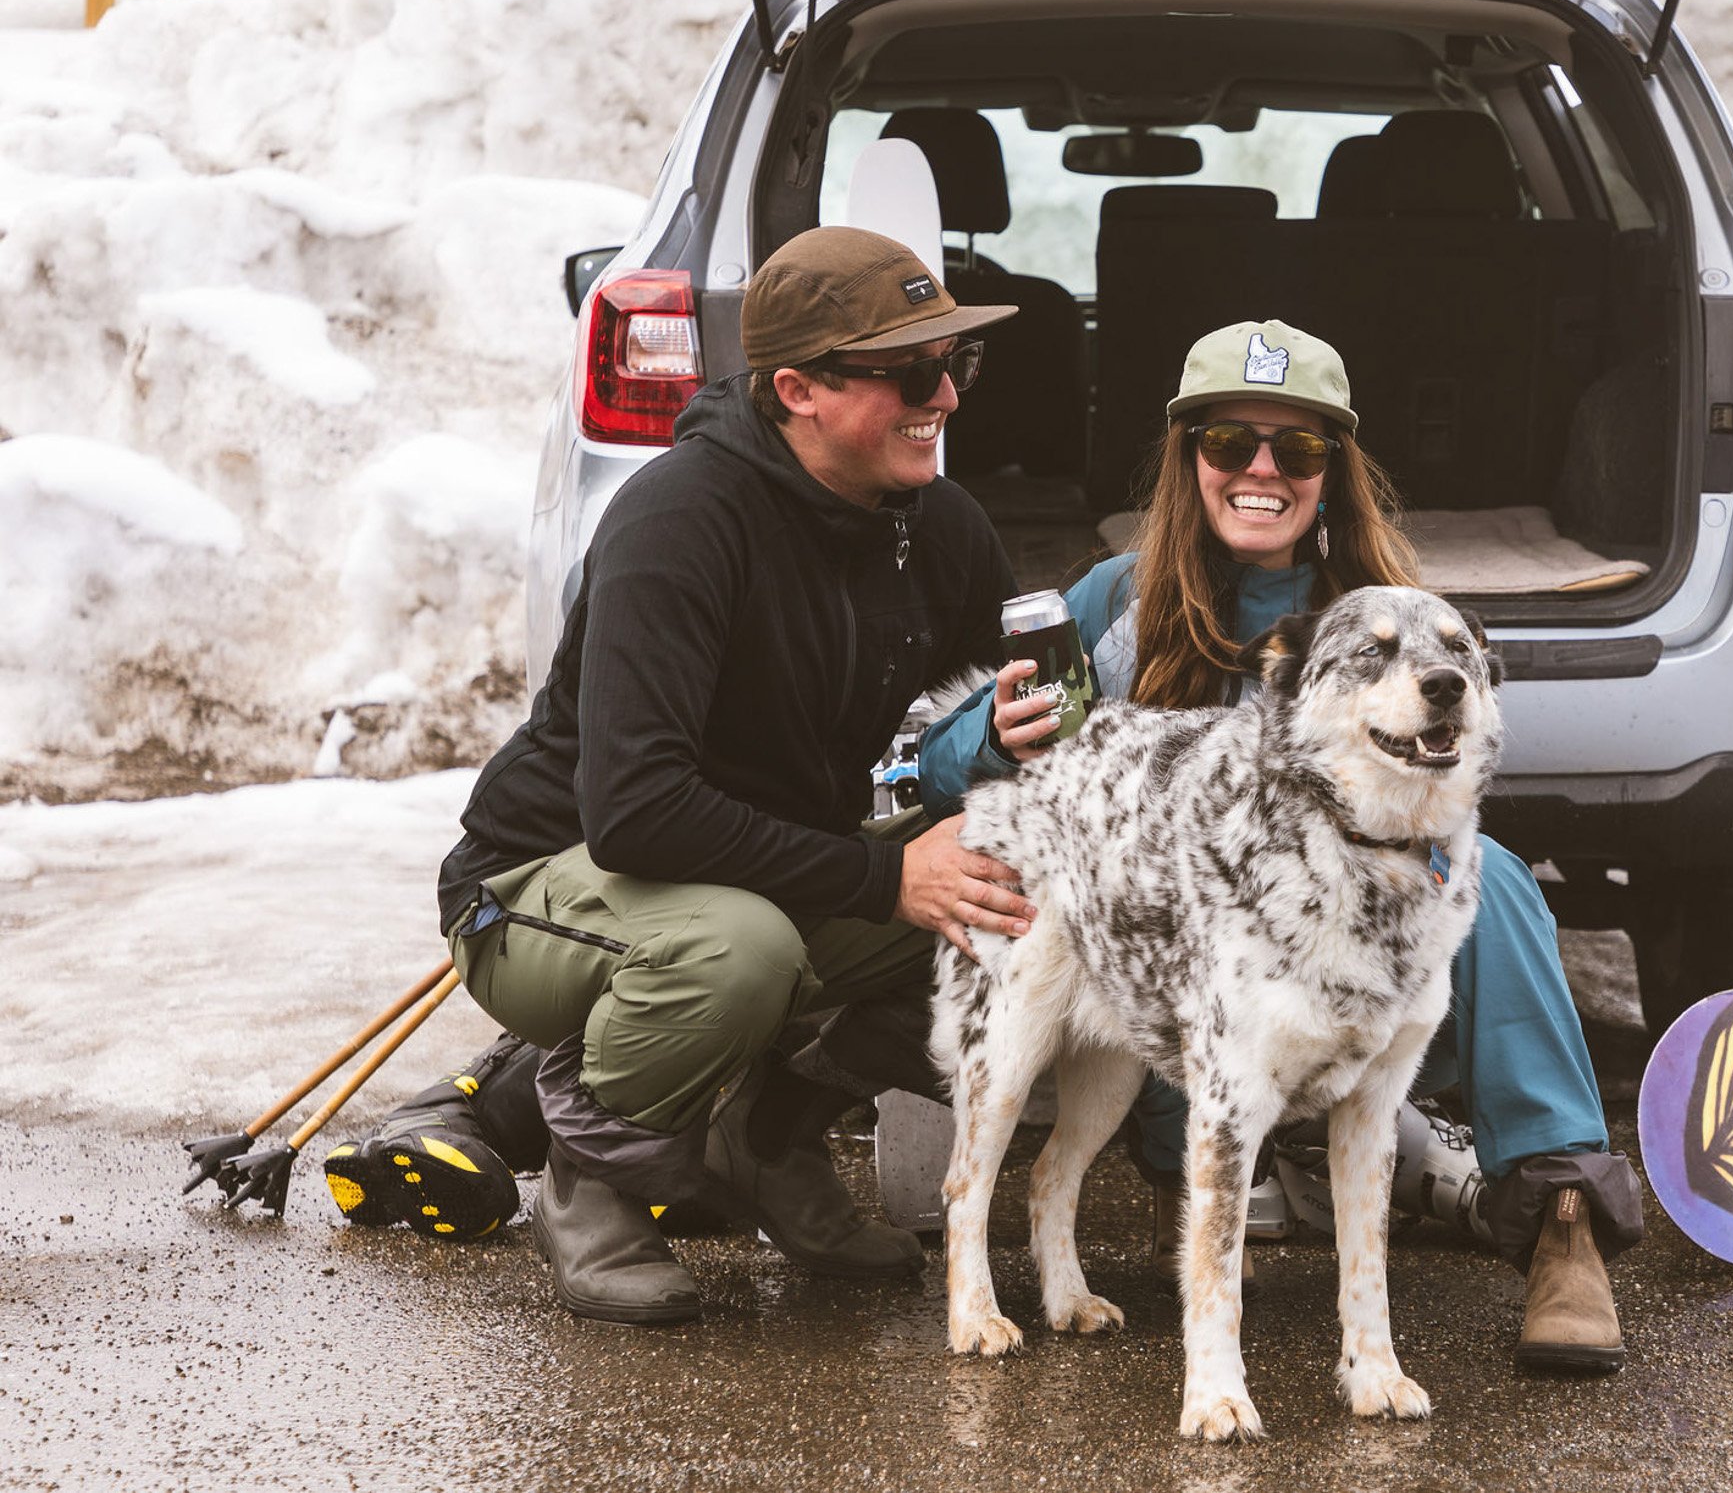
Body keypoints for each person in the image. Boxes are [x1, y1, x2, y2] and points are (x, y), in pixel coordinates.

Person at [337, 226, 1040, 1325]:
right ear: (797, 388)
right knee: (733, 949)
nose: (944, 395)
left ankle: (766, 1140)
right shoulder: (682, 519)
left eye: (959, 364)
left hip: (755, 870)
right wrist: (884, 883)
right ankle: (596, 1183)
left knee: (1014, 879)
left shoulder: (934, 527)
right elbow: (635, 814)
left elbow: (1022, 687)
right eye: (910, 371)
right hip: (534, 887)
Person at [913, 318, 1643, 1374]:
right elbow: (949, 757)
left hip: (1355, 965)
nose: (1261, 470)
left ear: (1332, 471)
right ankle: (1360, 1171)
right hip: (1189, 992)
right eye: (1228, 443)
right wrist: (984, 737)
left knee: (1503, 889)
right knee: (1216, 1134)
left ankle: (1558, 1206)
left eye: (1296, 449)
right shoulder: (1111, 602)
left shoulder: (1380, 615)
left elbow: (1442, 800)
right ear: (1187, 460)